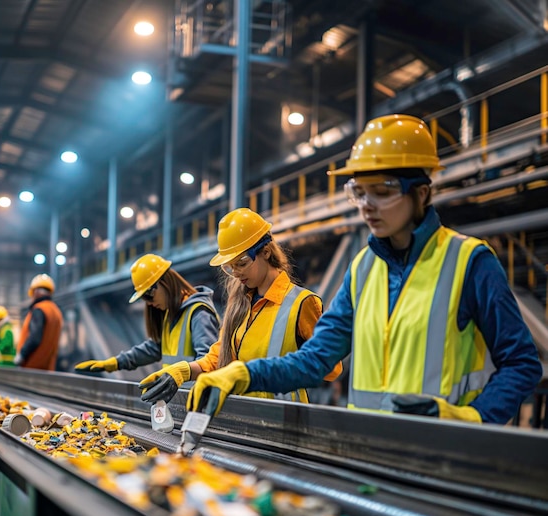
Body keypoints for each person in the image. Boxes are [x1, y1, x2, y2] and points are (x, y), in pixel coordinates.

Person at [187, 114, 543, 425]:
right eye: (359, 192)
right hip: (373, 456)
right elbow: (316, 358)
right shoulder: (363, 271)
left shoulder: (469, 263)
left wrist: (472, 418)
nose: (367, 206)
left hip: (446, 458)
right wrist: (243, 373)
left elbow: (521, 364)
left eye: (382, 191)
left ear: (421, 193)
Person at [139, 208, 342, 404]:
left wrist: (282, 370)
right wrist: (182, 371)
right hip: (246, 419)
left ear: (265, 251)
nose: (236, 273)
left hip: (286, 425)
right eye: (229, 267)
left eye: (242, 263)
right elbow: (217, 358)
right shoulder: (239, 306)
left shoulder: (301, 303)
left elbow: (330, 368)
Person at [74, 254, 220, 375]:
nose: (148, 303)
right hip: (178, 399)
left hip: (195, 402)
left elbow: (208, 364)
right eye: (144, 299)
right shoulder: (171, 313)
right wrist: (117, 362)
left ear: (164, 283)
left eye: (149, 296)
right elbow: (154, 348)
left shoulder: (198, 313)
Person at [15, 274, 63, 371]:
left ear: (35, 292)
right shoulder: (56, 311)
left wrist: (22, 355)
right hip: (48, 369)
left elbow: (35, 338)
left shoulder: (39, 310)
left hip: (31, 366)